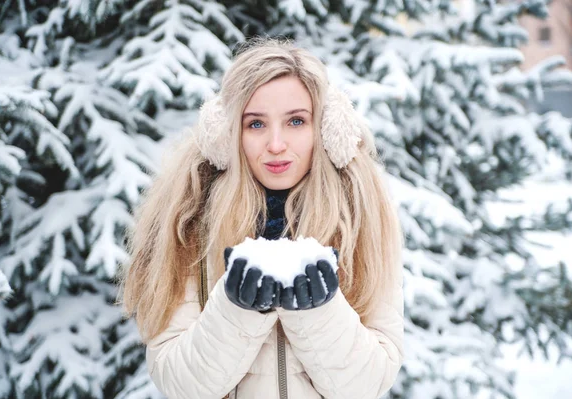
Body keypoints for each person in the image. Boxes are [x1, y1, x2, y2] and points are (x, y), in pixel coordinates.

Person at [118, 37, 405, 399]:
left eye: (296, 121)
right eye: (255, 124)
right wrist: (237, 308)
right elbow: (178, 382)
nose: (275, 144)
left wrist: (318, 311)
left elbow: (370, 383)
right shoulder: (189, 220)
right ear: (227, 133)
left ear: (326, 128)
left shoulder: (361, 219)